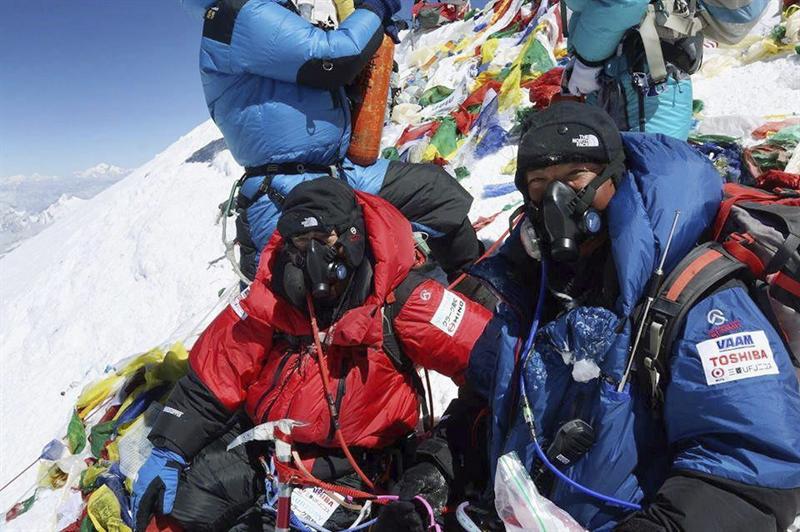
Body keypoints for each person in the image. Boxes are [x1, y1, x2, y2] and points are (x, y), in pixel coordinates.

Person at [464, 101, 800, 530]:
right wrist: (437, 462)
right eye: (540, 183)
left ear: (614, 178)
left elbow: (752, 464)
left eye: (575, 177)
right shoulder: (534, 289)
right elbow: (485, 397)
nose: (557, 199)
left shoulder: (694, 293)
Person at [131, 178, 493, 531]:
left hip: (348, 469)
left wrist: (440, 459)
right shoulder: (271, 296)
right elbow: (216, 373)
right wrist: (170, 447)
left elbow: (495, 366)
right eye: (300, 242)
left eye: (323, 239)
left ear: (353, 237)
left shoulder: (405, 301)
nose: (310, 256)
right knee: (167, 517)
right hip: (260, 447)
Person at [180, 0, 482, 281]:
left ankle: (475, 283)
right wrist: (374, 10)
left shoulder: (268, 12)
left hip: (337, 171)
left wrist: (372, 44)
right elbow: (331, 58)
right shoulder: (238, 13)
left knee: (432, 192)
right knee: (332, 292)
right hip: (291, 189)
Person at [560, 0, 769, 140]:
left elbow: (625, 3)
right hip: (640, 71)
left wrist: (588, 59)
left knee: (649, 181)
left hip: (641, 75)